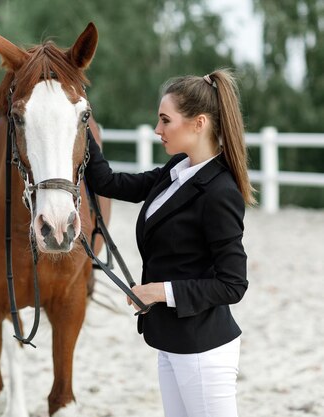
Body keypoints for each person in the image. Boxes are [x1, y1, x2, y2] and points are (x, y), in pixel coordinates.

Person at [84, 68, 255, 417]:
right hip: (171, 342)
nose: (157, 130)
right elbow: (111, 183)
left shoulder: (220, 192)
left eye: (165, 120)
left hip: (204, 351)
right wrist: (78, 122)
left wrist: (157, 291)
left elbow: (233, 284)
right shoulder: (176, 169)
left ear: (199, 123)